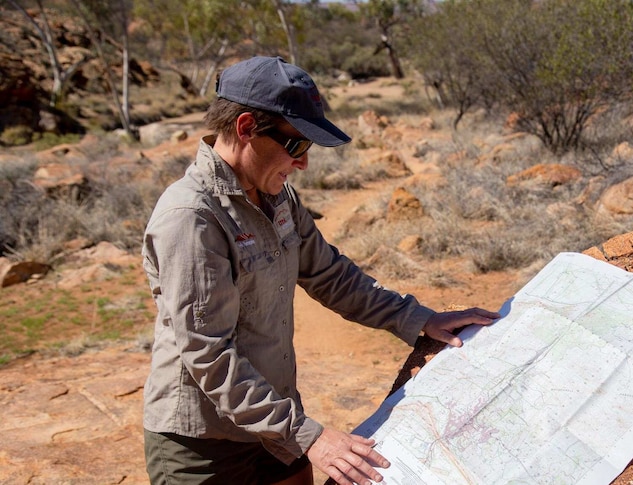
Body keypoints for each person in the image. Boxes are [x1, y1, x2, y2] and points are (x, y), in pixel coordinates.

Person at [140, 55, 500, 485]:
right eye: (297, 145)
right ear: (246, 128)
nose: (304, 163)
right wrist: (309, 437)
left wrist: (417, 318)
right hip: (204, 445)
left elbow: (332, 277)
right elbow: (209, 355)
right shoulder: (191, 217)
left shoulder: (277, 199)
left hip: (273, 426)